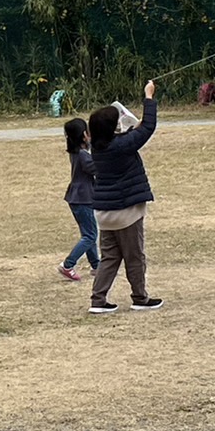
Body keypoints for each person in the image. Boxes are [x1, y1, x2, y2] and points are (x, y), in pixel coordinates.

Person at [87, 80, 163, 314]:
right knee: (134, 256)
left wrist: (133, 128)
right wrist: (148, 97)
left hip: (105, 214)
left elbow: (129, 135)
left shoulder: (97, 147)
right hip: (126, 213)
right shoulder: (120, 146)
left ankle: (98, 300)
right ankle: (140, 298)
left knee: (109, 257)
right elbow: (148, 128)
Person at [58, 117, 98, 281]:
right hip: (83, 198)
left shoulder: (76, 153)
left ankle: (96, 266)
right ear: (83, 135)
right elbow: (96, 168)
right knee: (90, 236)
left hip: (76, 197)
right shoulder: (83, 155)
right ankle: (68, 264)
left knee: (88, 233)